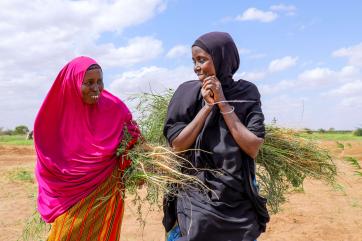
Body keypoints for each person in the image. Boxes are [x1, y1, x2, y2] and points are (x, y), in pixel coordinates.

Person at [163, 32, 269, 241]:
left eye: (202, 60)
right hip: (195, 194)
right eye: (194, 61)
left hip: (237, 200)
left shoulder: (246, 93)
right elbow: (177, 145)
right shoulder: (187, 93)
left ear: (223, 58)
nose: (196, 67)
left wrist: (221, 101)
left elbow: (253, 147)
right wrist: (207, 108)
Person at [34, 56, 140, 240]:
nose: (96, 88)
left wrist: (137, 160)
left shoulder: (114, 108)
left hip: (105, 194)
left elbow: (132, 138)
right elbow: (47, 163)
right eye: (89, 82)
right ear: (72, 84)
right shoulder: (53, 118)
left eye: (100, 81)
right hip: (68, 198)